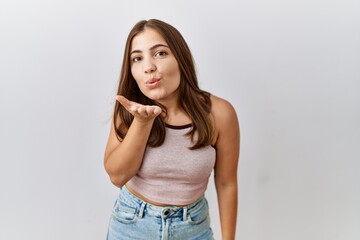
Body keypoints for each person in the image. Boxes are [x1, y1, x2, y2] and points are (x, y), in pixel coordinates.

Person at [104, 19, 240, 240]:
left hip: (194, 228)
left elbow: (226, 183)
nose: (148, 67)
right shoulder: (128, 110)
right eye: (137, 58)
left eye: (159, 53)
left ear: (180, 58)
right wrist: (142, 124)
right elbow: (117, 176)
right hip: (131, 227)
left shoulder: (220, 113)